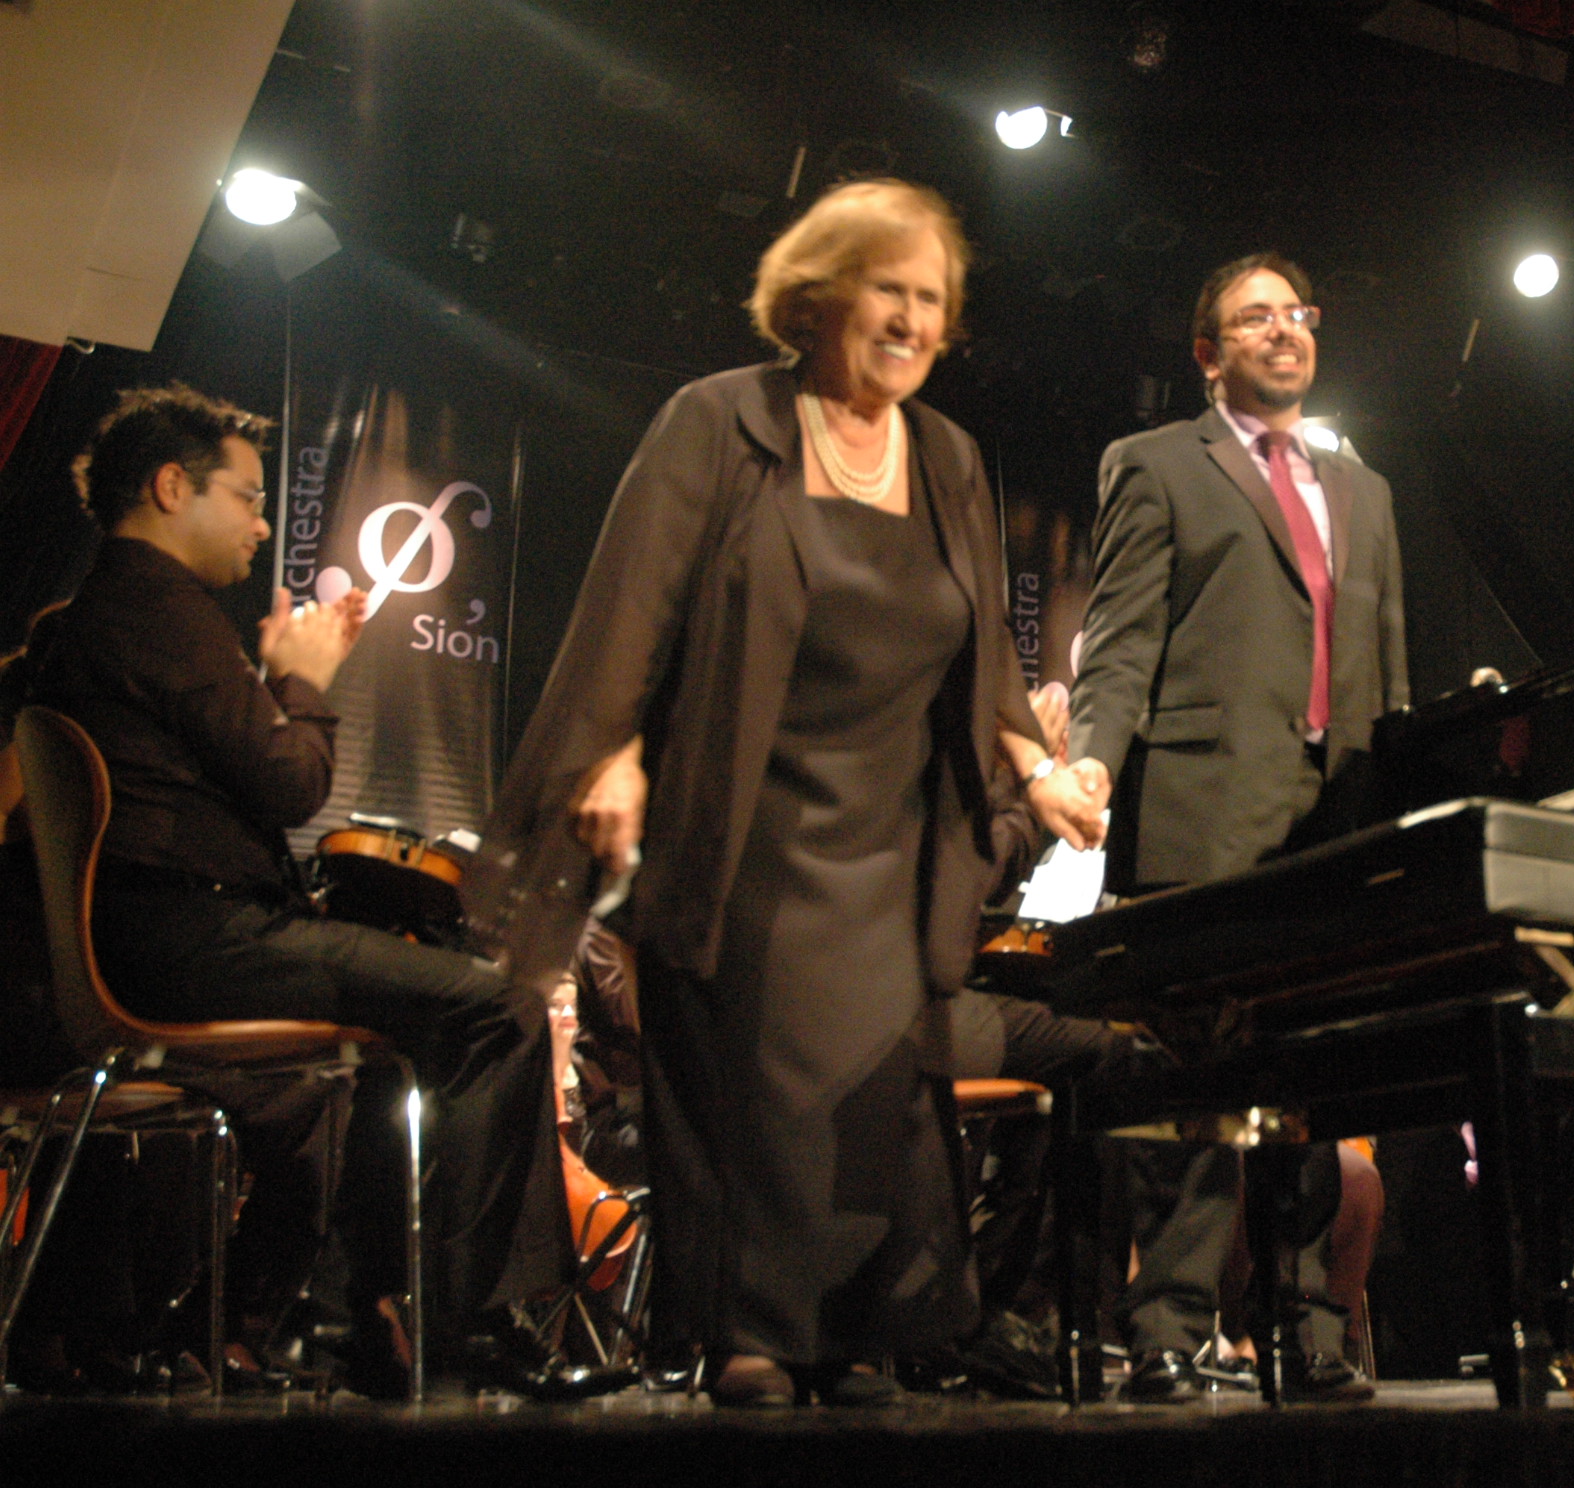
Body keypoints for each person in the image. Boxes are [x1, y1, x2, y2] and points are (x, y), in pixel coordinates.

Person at [473, 179, 1104, 1408]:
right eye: (887, 290)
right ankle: (747, 1332)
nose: (911, 320)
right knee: (751, 1090)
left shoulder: (947, 457)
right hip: (744, 819)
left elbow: (978, 647)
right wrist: (612, 752)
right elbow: (633, 610)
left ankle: (861, 1329)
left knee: (878, 1094)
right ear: (816, 296)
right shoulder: (718, 423)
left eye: (931, 299)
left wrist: (1036, 767)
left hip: (893, 838)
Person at [1, 384, 573, 1395]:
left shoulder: (93, 617)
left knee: (403, 1040)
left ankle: (361, 1315)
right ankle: (479, 1319)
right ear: (171, 488)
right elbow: (291, 785)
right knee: (504, 1012)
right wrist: (305, 680)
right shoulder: (161, 612)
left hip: (160, 937)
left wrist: (280, 683)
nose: (265, 526)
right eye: (250, 499)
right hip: (190, 942)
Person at [1064, 252, 1409, 1402]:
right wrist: (1092, 762)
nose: (1281, 330)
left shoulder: (1365, 489)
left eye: (1295, 313)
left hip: (1333, 824)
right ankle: (1165, 1328)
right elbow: (1121, 639)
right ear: (1207, 354)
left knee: (1311, 1085)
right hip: (1201, 810)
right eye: (1253, 317)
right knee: (1192, 1083)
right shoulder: (1156, 463)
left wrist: (1394, 807)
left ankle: (1304, 1330)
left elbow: (1385, 670)